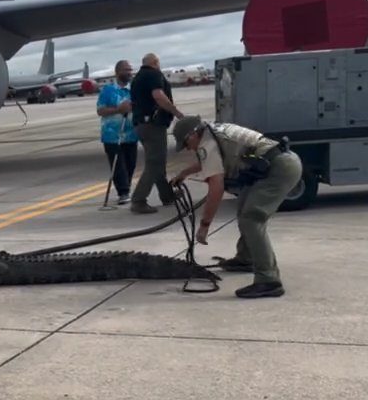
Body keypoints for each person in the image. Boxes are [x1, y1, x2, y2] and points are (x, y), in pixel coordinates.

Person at [170, 116, 303, 298]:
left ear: (193, 134)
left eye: (186, 143)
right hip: (272, 165)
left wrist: (205, 226)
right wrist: (185, 173)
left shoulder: (207, 144)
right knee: (244, 209)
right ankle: (246, 259)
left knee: (252, 218)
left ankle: (268, 280)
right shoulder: (212, 133)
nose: (188, 148)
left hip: (279, 169)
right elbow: (209, 162)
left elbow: (216, 188)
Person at [129, 53, 186, 214]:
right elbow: (158, 96)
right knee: (155, 163)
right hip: (153, 125)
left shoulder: (138, 78)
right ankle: (139, 200)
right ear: (155, 63)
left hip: (141, 124)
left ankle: (167, 195)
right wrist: (177, 113)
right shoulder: (153, 74)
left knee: (157, 162)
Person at [95, 60, 139, 204]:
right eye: (126, 70)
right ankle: (123, 192)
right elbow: (100, 110)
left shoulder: (134, 90)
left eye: (130, 69)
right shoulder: (108, 90)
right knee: (118, 165)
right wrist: (118, 109)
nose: (129, 72)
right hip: (112, 135)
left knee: (130, 164)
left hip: (131, 133)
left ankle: (127, 187)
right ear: (118, 72)